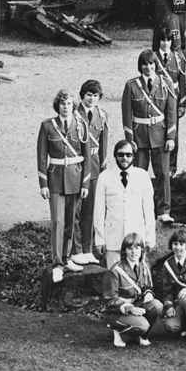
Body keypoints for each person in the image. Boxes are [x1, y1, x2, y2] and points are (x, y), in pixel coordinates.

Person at [37, 89, 91, 281]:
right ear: (57, 106)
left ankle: (67, 258)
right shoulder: (48, 126)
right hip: (55, 179)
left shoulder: (81, 125)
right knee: (57, 222)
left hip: (75, 178)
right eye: (62, 104)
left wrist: (85, 183)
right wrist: (43, 183)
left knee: (70, 221)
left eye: (69, 104)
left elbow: (87, 157)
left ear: (73, 105)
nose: (66, 107)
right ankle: (57, 263)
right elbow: (42, 156)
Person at [121, 49, 177, 223]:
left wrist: (170, 137)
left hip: (161, 135)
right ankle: (136, 209)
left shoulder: (166, 83)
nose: (148, 67)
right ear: (140, 66)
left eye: (151, 63)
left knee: (163, 174)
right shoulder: (131, 85)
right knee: (137, 175)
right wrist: (130, 141)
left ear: (156, 65)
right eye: (144, 64)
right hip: (139, 138)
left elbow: (171, 111)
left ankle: (163, 211)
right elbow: (126, 114)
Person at [93, 140, 156, 268]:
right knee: (114, 277)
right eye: (120, 155)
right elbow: (99, 211)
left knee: (136, 277)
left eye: (128, 155)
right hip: (113, 239)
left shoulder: (142, 176)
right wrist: (100, 240)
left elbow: (149, 210)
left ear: (133, 156)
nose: (124, 158)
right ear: (115, 156)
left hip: (136, 240)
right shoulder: (104, 177)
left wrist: (150, 238)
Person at [103, 232, 163, 348]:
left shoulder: (145, 266)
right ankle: (120, 333)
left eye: (137, 248)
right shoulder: (115, 270)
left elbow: (148, 287)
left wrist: (148, 294)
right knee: (143, 325)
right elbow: (109, 300)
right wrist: (130, 309)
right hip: (117, 312)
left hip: (137, 305)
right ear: (124, 251)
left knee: (157, 305)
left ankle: (142, 336)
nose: (133, 252)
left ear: (142, 251)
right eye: (130, 248)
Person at [74, 79, 109, 266]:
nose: (92, 98)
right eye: (89, 94)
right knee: (75, 211)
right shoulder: (74, 115)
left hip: (94, 167)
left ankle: (88, 249)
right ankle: (76, 250)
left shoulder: (102, 115)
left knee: (90, 211)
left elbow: (103, 143)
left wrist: (103, 168)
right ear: (82, 95)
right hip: (77, 167)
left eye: (95, 95)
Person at [155, 28, 186, 175]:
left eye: (168, 40)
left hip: (173, 99)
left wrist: (182, 104)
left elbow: (182, 82)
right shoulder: (152, 57)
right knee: (157, 132)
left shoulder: (178, 58)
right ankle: (159, 166)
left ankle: (172, 167)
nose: (165, 43)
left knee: (173, 132)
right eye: (163, 40)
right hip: (156, 99)